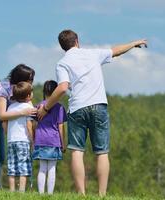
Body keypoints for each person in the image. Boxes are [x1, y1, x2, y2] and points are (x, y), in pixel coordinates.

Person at [37, 29, 147, 196]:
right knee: (102, 152)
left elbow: (62, 88)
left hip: (77, 108)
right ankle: (102, 195)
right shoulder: (92, 54)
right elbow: (115, 51)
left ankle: (81, 194)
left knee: (77, 151)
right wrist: (133, 43)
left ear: (62, 47)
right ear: (77, 41)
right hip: (98, 106)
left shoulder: (62, 63)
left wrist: (46, 108)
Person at [32, 80, 67, 194]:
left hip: (40, 140)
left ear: (44, 91)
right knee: (52, 168)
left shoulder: (38, 106)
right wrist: (63, 144)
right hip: (54, 141)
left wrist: (34, 139)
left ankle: (41, 194)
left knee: (42, 168)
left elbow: (33, 124)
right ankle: (50, 194)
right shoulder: (60, 108)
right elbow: (61, 127)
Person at [6, 81, 34, 192]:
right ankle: (21, 191)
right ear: (28, 96)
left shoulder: (11, 107)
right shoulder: (28, 107)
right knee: (24, 167)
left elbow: (6, 122)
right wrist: (32, 140)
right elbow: (29, 125)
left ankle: (12, 191)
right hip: (23, 140)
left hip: (11, 140)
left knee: (12, 166)